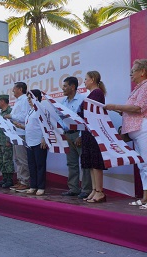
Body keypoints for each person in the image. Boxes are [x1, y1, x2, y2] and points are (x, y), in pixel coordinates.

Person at [104, 59, 147, 208]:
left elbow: (138, 108)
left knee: (146, 164)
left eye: (133, 72)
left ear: (142, 72)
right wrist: (113, 108)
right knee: (142, 165)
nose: (131, 75)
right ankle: (144, 198)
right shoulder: (137, 88)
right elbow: (130, 109)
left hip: (143, 129)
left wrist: (115, 105)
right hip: (135, 131)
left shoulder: (146, 86)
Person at [60, 77, 92, 199]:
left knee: (84, 163)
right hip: (68, 135)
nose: (63, 88)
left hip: (79, 134)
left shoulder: (82, 99)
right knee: (71, 163)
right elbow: (60, 118)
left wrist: (80, 135)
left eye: (65, 86)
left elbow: (85, 119)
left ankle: (86, 189)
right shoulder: (63, 102)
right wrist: (63, 132)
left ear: (72, 87)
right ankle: (73, 188)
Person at [80, 71, 107, 203]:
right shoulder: (91, 94)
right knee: (90, 162)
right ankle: (94, 189)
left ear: (92, 79)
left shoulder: (97, 93)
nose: (84, 81)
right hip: (87, 131)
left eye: (85, 79)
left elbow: (92, 112)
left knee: (96, 162)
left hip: (94, 131)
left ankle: (99, 191)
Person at [15, 90, 48, 195]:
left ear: (36, 98)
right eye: (28, 98)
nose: (28, 100)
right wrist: (21, 126)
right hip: (30, 142)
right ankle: (33, 186)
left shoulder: (42, 110)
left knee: (40, 165)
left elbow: (46, 125)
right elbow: (32, 126)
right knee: (32, 165)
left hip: (39, 142)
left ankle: (41, 187)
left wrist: (44, 138)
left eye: (30, 98)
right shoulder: (30, 111)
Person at [4, 82, 31, 192]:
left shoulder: (25, 100)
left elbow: (25, 116)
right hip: (15, 133)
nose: (13, 91)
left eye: (14, 89)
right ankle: (20, 180)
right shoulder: (18, 101)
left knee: (22, 158)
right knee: (17, 159)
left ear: (20, 89)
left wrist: (11, 116)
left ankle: (25, 181)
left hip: (22, 133)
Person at [0, 94, 14, 188]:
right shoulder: (1, 114)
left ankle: (10, 180)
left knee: (7, 161)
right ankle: (4, 178)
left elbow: (11, 127)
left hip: (6, 141)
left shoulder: (10, 111)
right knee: (1, 161)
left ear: (2, 101)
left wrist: (9, 139)